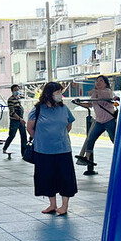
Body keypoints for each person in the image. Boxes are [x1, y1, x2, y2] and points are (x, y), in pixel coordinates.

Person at [27, 82, 77, 216]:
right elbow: (30, 128)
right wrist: (41, 139)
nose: (60, 95)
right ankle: (52, 204)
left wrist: (59, 136)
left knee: (65, 178)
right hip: (43, 151)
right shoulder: (38, 109)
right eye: (57, 92)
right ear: (49, 93)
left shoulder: (64, 108)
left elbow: (69, 125)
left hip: (63, 149)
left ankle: (64, 206)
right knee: (47, 177)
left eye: (61, 92)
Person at [76, 75, 117, 165]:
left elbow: (104, 96)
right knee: (90, 139)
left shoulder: (108, 92)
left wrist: (94, 92)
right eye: (97, 81)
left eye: (101, 81)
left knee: (114, 139)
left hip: (109, 120)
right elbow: (89, 104)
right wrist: (78, 103)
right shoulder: (95, 93)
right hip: (99, 121)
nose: (98, 83)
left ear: (106, 84)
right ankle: (87, 157)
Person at [2, 84, 28, 157]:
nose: (17, 91)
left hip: (20, 120)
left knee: (24, 136)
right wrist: (19, 119)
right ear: (12, 91)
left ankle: (24, 152)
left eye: (18, 90)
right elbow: (12, 112)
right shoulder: (11, 100)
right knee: (12, 135)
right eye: (15, 90)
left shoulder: (18, 98)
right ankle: (5, 148)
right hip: (15, 121)